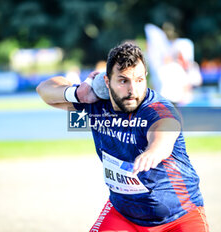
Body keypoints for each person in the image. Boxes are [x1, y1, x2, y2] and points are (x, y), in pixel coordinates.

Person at [36, 42, 209, 232]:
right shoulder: (97, 104)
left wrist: (154, 151)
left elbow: (165, 131)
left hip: (179, 215)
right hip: (123, 215)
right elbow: (45, 91)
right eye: (123, 80)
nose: (132, 90)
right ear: (107, 82)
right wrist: (77, 93)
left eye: (139, 80)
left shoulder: (157, 109)